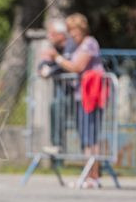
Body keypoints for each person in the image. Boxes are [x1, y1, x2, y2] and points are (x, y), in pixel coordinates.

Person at [47, 13, 104, 188]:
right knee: (85, 136)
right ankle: (88, 176)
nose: (72, 35)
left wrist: (56, 58)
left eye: (74, 31)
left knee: (91, 136)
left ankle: (93, 177)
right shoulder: (78, 45)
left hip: (91, 95)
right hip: (81, 96)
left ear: (81, 29)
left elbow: (77, 67)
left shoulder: (89, 43)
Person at [38, 19, 77, 154]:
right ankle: (57, 145)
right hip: (62, 91)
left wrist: (51, 69)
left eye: (52, 34)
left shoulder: (71, 45)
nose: (49, 37)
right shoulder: (54, 48)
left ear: (61, 35)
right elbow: (43, 64)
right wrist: (44, 68)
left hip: (75, 92)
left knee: (58, 105)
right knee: (55, 105)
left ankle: (60, 145)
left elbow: (68, 65)